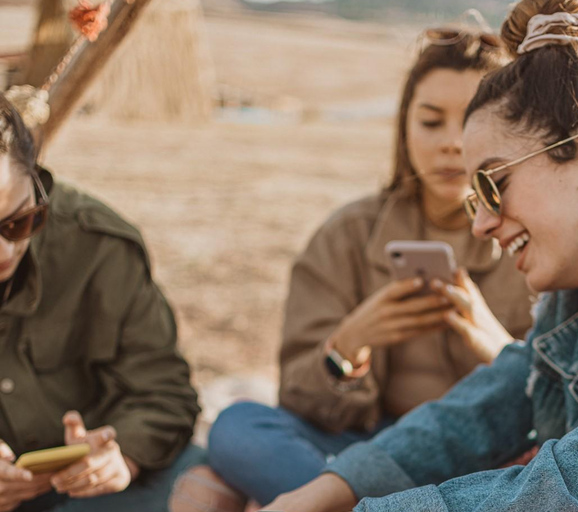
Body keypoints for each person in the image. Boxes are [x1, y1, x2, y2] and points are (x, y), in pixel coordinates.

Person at [259, 1, 578, 511]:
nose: (480, 223)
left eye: (493, 183)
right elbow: (469, 417)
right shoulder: (575, 310)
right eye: (474, 201)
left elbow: (565, 496)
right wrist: (320, 493)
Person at [171, 17, 535, 512]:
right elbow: (298, 399)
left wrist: (494, 346)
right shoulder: (347, 235)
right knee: (238, 428)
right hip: (365, 450)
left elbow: (560, 399)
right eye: (431, 121)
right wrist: (348, 347)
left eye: (470, 123)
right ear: (404, 126)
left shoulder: (530, 235)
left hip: (485, 454)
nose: (451, 142)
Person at [0, 94, 203, 512]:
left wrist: (122, 455)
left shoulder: (98, 248)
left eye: (19, 223)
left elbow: (166, 393)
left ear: (38, 180)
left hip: (94, 497)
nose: (3, 252)